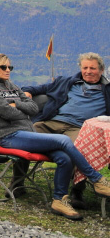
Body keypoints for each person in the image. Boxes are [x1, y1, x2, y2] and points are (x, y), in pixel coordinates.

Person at [0, 53, 110, 220]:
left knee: (65, 158)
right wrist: (21, 109)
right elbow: (8, 113)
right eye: (3, 67)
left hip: (29, 132)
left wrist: (17, 104)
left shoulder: (10, 86)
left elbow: (32, 109)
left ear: (101, 70)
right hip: (10, 136)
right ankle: (97, 179)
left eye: (9, 67)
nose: (8, 70)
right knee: (63, 141)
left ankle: (59, 200)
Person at [20, 52, 110, 207]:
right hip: (52, 122)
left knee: (79, 149)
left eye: (93, 68)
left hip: (79, 129)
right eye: (85, 67)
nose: (88, 71)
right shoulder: (67, 82)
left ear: (101, 70)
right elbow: (38, 88)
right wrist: (28, 91)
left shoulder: (107, 90)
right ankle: (17, 183)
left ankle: (77, 191)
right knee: (25, 137)